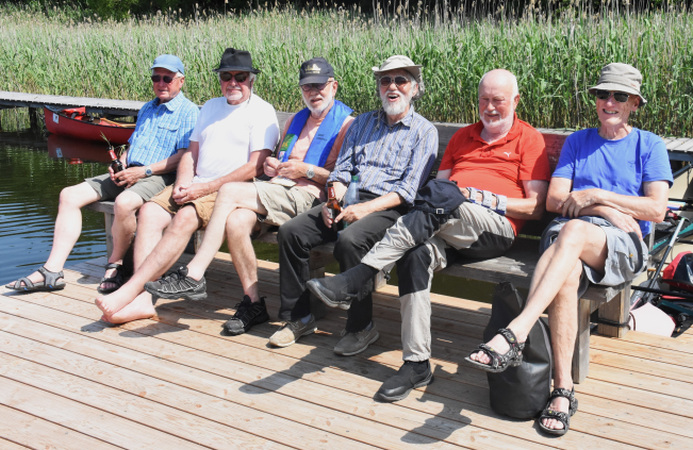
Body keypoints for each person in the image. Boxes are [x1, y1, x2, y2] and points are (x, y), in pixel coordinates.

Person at [306, 69, 551, 402]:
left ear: (516, 101)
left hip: (493, 228)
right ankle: (417, 364)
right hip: (445, 224)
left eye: (498, 100)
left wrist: (481, 198)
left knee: (446, 199)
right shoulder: (463, 137)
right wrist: (451, 197)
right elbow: (436, 193)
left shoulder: (529, 139)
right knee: (415, 255)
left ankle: (359, 275)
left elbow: (535, 208)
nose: (490, 107)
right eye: (484, 100)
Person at [466, 63, 672, 436]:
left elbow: (656, 209)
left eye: (620, 96)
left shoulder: (649, 145)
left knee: (574, 231)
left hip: (620, 243)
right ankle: (563, 391)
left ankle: (517, 331)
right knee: (567, 271)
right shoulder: (578, 142)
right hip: (566, 237)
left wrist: (594, 196)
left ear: (634, 103)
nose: (609, 101)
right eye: (603, 94)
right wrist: (602, 209)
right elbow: (556, 200)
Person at [143, 57, 354, 335]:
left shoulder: (347, 125)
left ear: (333, 86)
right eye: (307, 87)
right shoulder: (295, 120)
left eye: (319, 86)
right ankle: (253, 304)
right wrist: (272, 165)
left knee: (229, 191)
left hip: (309, 198)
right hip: (277, 190)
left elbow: (347, 179)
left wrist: (307, 170)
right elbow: (278, 161)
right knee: (236, 221)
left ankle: (194, 273)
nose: (313, 92)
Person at [268, 55, 438, 354]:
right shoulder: (363, 123)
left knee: (350, 240)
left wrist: (364, 209)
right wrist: (332, 201)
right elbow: (342, 171)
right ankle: (299, 318)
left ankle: (361, 327)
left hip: (390, 208)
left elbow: (407, 191)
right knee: (292, 232)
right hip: (348, 199)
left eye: (400, 80)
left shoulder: (424, 132)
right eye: (385, 81)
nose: (392, 87)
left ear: (414, 88)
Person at [94, 48, 280, 323]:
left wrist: (204, 189)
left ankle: (132, 293)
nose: (232, 82)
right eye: (226, 76)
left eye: (240, 77)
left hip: (229, 190)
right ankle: (143, 298)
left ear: (251, 79)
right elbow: (191, 154)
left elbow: (255, 166)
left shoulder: (262, 112)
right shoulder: (210, 107)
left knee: (184, 217)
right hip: (194, 183)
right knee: (150, 212)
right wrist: (183, 183)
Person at [5, 54, 199, 295]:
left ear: (181, 81)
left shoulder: (189, 112)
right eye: (156, 78)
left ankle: (115, 265)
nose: (161, 83)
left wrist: (143, 171)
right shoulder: (148, 108)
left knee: (124, 202)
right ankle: (52, 271)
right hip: (130, 171)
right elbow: (133, 145)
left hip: (160, 176)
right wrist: (121, 163)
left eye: (167, 78)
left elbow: (184, 156)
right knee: (69, 195)